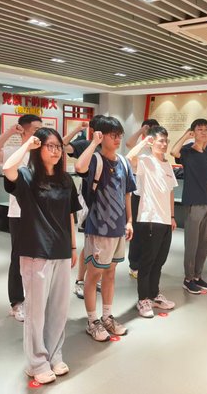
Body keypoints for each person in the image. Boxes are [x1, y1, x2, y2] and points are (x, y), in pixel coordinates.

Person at [3, 128, 81, 385]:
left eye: (58, 146)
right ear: (39, 149)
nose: (56, 151)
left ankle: (54, 354)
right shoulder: (27, 176)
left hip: (61, 250)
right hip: (36, 251)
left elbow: (70, 215)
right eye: (50, 146)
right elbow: (7, 168)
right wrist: (27, 145)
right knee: (36, 312)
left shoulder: (65, 180)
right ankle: (36, 362)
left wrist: (73, 247)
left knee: (59, 309)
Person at [75, 116, 136, 341]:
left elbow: (127, 194)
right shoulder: (95, 160)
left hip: (118, 228)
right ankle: (92, 321)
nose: (117, 139)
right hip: (99, 228)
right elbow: (78, 167)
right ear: (101, 136)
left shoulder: (124, 162)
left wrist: (129, 220)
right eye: (113, 135)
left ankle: (107, 316)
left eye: (119, 135)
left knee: (110, 273)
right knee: (94, 275)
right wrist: (93, 143)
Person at [0, 113, 42, 321]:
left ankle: (34, 299)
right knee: (18, 258)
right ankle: (17, 302)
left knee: (38, 259)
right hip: (19, 213)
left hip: (41, 214)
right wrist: (10, 132)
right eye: (35, 130)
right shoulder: (13, 152)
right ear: (23, 131)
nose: (39, 134)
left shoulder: (42, 154)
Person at [126, 126, 177, 318]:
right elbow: (129, 157)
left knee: (159, 261)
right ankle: (143, 299)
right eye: (160, 141)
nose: (164, 144)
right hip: (149, 218)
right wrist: (143, 143)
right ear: (152, 142)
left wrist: (172, 217)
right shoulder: (145, 161)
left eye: (166, 141)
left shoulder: (167, 164)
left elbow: (171, 191)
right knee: (147, 262)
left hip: (165, 220)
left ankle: (154, 295)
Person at [170, 119, 207, 295]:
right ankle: (188, 279)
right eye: (199, 129)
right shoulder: (187, 151)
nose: (203, 132)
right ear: (193, 132)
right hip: (193, 203)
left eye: (206, 129)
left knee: (205, 242)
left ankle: (197, 276)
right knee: (192, 243)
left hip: (206, 203)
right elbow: (173, 152)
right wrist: (185, 136)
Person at [63, 114, 105, 300]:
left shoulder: (108, 149)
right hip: (90, 202)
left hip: (106, 205)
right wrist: (76, 130)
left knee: (102, 245)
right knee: (89, 243)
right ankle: (80, 280)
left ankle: (95, 278)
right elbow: (62, 146)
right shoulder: (85, 145)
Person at [125, 118, 160, 280]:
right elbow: (128, 145)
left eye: (154, 129)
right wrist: (141, 132)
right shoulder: (140, 146)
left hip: (152, 196)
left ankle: (145, 264)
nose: (151, 132)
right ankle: (134, 265)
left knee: (149, 233)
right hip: (138, 195)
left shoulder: (156, 149)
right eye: (149, 128)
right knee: (137, 232)